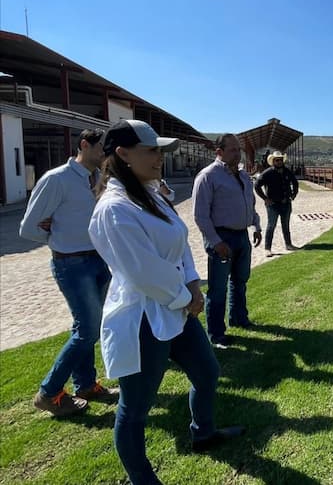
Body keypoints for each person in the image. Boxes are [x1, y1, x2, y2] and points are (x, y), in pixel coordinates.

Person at [89, 119, 244, 485]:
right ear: (123, 154)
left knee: (207, 373)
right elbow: (142, 272)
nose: (160, 157)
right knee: (135, 408)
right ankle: (142, 479)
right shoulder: (114, 209)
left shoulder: (151, 193)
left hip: (177, 306)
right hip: (144, 317)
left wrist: (192, 281)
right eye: (152, 150)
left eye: (160, 150)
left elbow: (179, 242)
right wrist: (185, 298)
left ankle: (202, 433)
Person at [19, 128, 118, 416]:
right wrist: (59, 239)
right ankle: (49, 392)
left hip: (98, 260)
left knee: (89, 328)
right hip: (71, 264)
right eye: (101, 147)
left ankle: (86, 384)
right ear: (84, 145)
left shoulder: (100, 180)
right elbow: (27, 228)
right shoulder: (56, 179)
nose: (104, 153)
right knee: (86, 330)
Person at [192, 134, 262, 347]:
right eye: (232, 149)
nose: (237, 153)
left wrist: (256, 225)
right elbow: (200, 215)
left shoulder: (243, 177)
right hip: (221, 237)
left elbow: (251, 204)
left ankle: (239, 318)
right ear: (219, 151)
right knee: (218, 289)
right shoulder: (208, 176)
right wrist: (215, 241)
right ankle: (216, 334)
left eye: (238, 149)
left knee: (240, 281)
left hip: (242, 235)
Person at [254, 150, 299, 257]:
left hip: (286, 203)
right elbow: (256, 185)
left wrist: (293, 194)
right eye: (277, 160)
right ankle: (267, 248)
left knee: (286, 225)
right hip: (272, 204)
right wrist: (265, 198)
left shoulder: (287, 171)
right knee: (271, 226)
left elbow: (295, 183)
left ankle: (288, 244)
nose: (279, 162)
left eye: (280, 160)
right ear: (273, 161)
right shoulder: (268, 173)